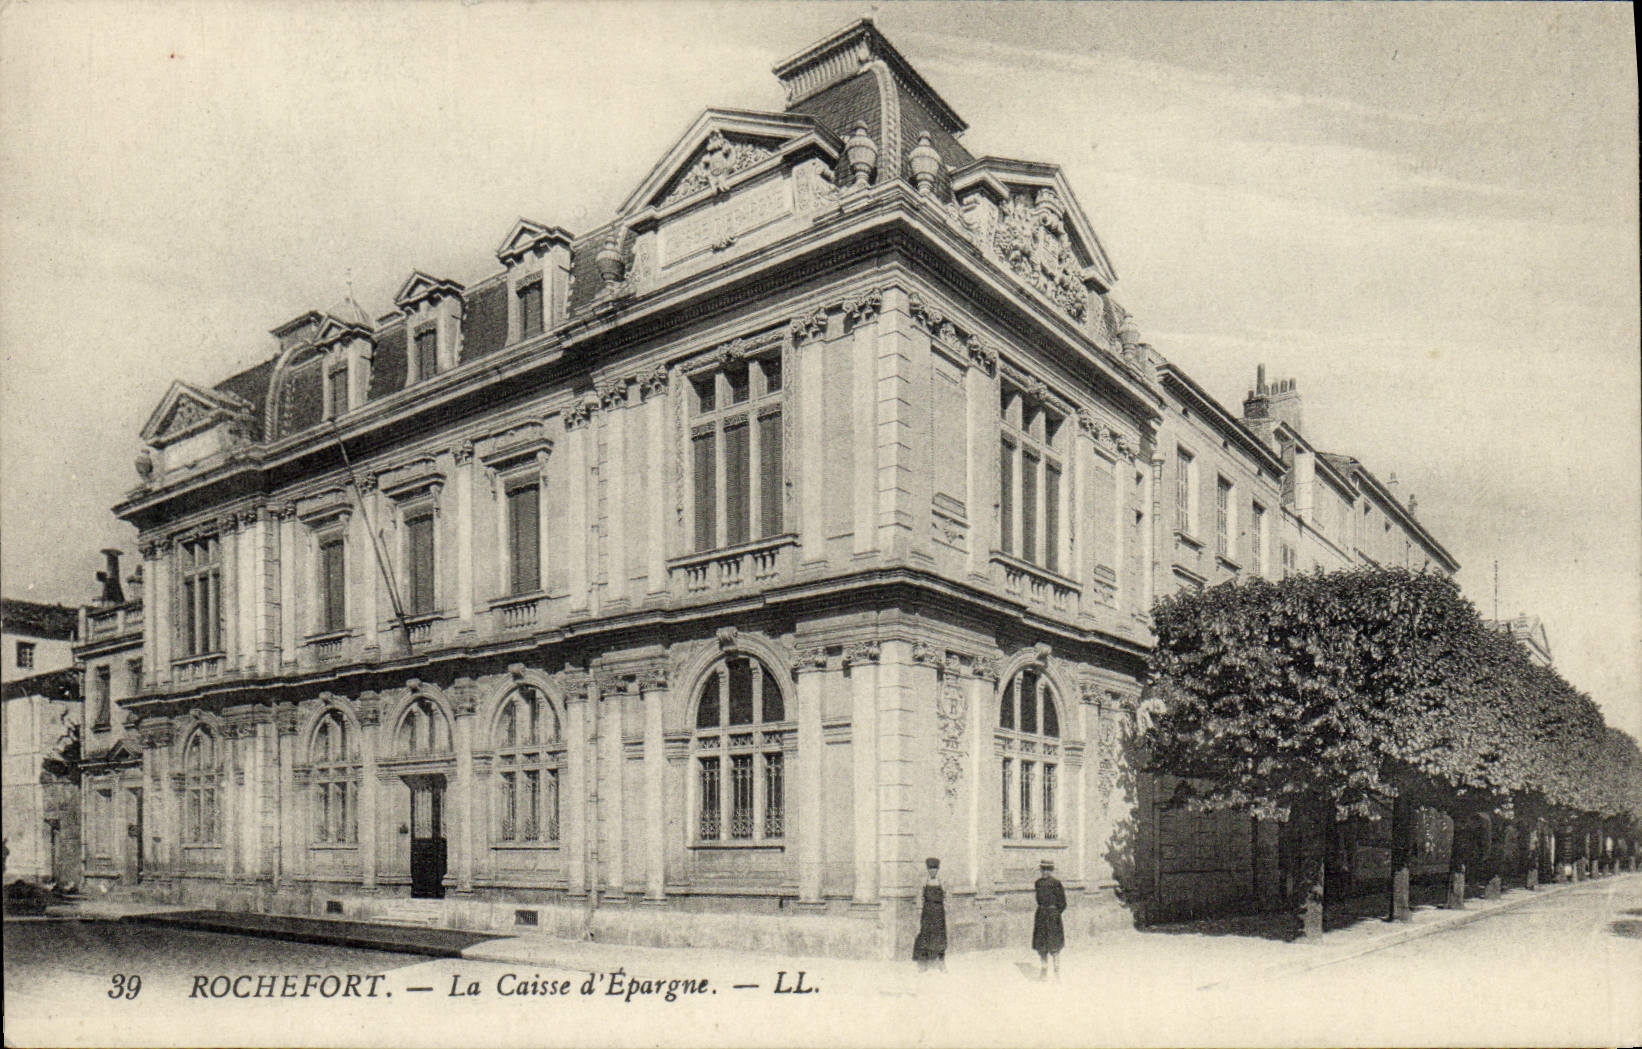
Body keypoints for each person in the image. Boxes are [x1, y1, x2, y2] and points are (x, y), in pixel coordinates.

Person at [1032, 858, 1065, 979]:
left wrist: (1054, 913)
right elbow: (1038, 899)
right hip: (1041, 915)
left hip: (1053, 916)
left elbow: (1063, 903)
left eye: (1048, 869)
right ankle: (1044, 971)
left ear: (1052, 870)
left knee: (1055, 945)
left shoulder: (1057, 883)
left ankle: (1056, 973)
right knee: (1042, 946)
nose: (1045, 872)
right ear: (1040, 869)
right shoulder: (1038, 883)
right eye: (1043, 869)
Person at [913, 857, 947, 972]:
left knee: (940, 936)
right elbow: (919, 897)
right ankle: (923, 964)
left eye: (935, 869)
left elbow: (947, 896)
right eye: (930, 869)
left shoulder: (942, 881)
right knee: (925, 935)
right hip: (927, 911)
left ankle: (941, 963)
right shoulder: (924, 881)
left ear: (938, 869)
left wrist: (945, 908)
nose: (932, 871)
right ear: (927, 869)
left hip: (939, 912)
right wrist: (919, 910)